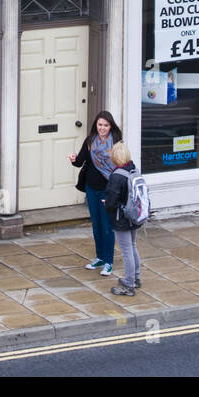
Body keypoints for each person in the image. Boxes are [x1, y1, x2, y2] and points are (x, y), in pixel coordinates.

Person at [68, 110, 120, 276]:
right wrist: (73, 159)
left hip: (108, 189)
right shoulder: (90, 140)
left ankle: (109, 262)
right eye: (100, 125)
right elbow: (80, 161)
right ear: (95, 125)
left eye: (105, 125)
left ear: (110, 126)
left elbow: (121, 164)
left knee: (107, 226)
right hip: (91, 188)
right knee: (96, 225)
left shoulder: (116, 143)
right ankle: (100, 257)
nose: (102, 128)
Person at [104, 142, 142, 296]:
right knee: (132, 246)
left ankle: (129, 284)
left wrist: (106, 203)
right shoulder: (134, 169)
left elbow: (112, 202)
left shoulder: (117, 176)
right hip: (134, 216)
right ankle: (136, 277)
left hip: (122, 218)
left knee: (126, 250)